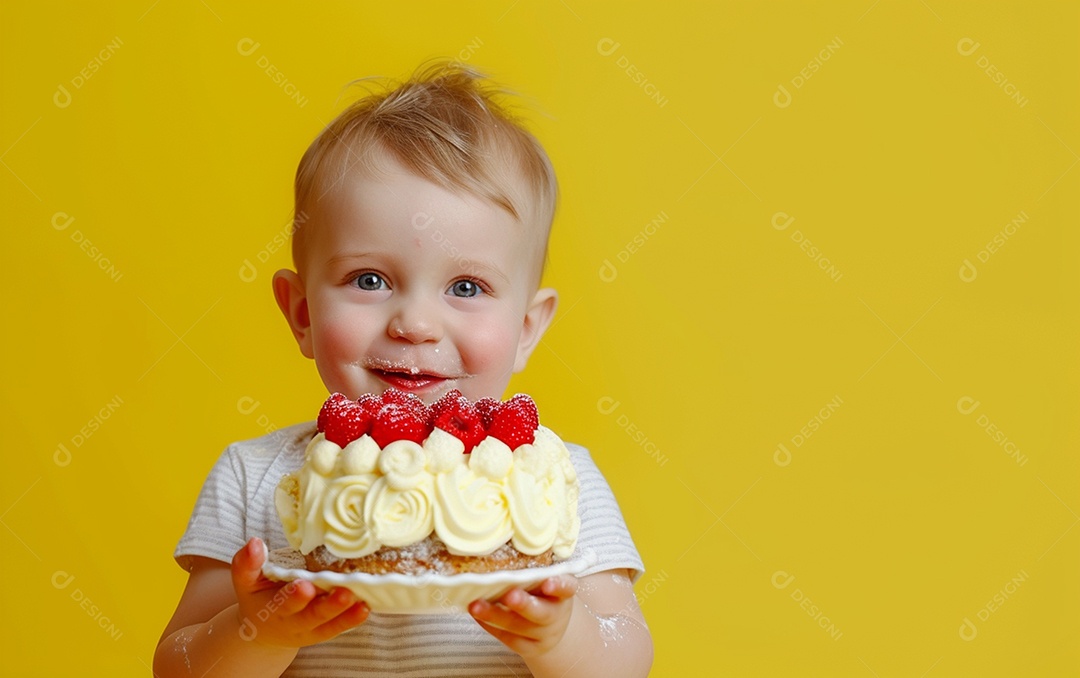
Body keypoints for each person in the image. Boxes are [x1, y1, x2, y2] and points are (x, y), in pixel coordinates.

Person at [154, 61, 653, 677]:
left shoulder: (553, 482)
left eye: (466, 287)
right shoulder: (252, 479)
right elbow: (178, 666)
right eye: (370, 279)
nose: (415, 323)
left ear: (527, 329)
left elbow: (624, 659)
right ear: (302, 313)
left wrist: (561, 637)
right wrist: (258, 631)